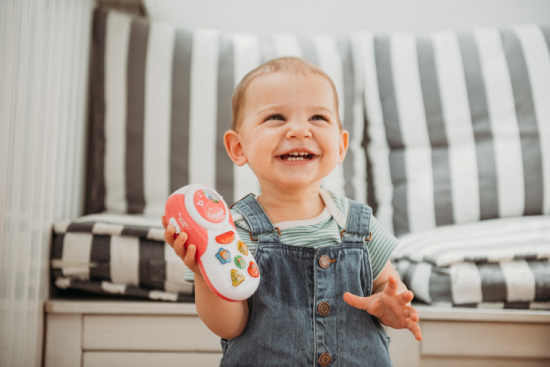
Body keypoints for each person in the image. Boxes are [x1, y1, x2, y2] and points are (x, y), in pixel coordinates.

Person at [162, 57, 422, 366]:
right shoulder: (232, 233)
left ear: (340, 147)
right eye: (276, 117)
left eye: (317, 118)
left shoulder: (359, 225)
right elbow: (230, 326)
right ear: (238, 147)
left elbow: (386, 285)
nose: (299, 130)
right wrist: (206, 276)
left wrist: (390, 302)